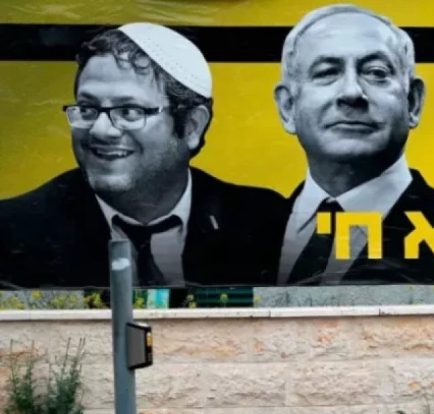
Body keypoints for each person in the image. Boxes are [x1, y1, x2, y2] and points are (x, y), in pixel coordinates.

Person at [0, 22, 288, 288]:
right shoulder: (15, 230)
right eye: (87, 109)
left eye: (129, 111)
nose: (101, 130)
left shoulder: (264, 224)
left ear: (191, 126)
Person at [273, 4, 434, 285]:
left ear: (413, 102)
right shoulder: (239, 231)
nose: (351, 92)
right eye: (326, 72)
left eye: (376, 72)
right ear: (288, 107)